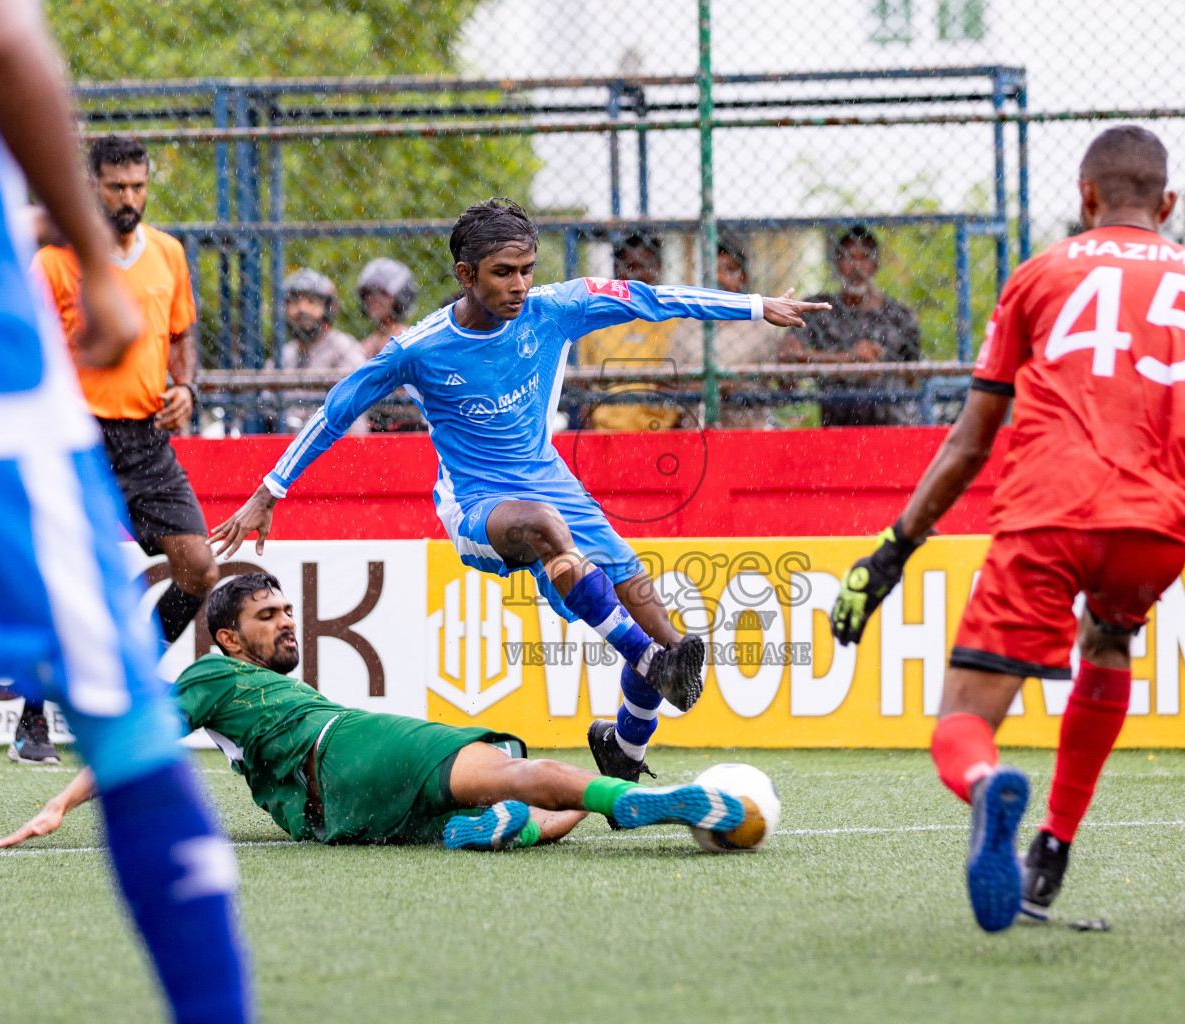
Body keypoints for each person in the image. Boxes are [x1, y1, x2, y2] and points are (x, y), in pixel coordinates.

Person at [0, 1, 253, 1020]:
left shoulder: (169, 253)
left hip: (108, 419)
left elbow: (181, 338)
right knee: (123, 716)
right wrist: (91, 254)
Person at [210, 198, 828, 784]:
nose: (520, 285)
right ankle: (644, 659)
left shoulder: (557, 307)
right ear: (465, 274)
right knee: (556, 541)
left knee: (668, 637)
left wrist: (755, 306)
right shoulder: (419, 349)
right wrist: (269, 490)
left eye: (527, 269)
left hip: (554, 485)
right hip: (477, 505)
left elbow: (651, 297)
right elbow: (338, 408)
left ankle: (625, 745)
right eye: (503, 273)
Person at [828, 127, 1185, 933]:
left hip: (1051, 512)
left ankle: (987, 786)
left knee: (962, 720)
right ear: (1167, 204)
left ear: (1086, 197)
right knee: (1111, 639)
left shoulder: (1041, 275)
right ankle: (1052, 848)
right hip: (1162, 525)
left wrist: (893, 550)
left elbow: (970, 441)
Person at [0, 573, 750, 852]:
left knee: (514, 805)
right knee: (515, 769)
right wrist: (61, 803)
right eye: (268, 616)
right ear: (229, 639)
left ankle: (543, 815)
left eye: (289, 610)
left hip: (330, 818)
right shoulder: (211, 673)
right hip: (344, 742)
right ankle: (628, 799)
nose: (288, 623)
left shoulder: (235, 690)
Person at [29, 134, 217, 766]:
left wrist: (186, 387)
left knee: (199, 569)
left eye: (138, 186)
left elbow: (182, 334)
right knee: (65, 576)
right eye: (116, 187)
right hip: (75, 437)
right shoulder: (54, 262)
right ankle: (33, 720)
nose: (129, 198)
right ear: (92, 187)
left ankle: (128, 676)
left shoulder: (168, 252)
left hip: (145, 439)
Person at [781, 225, 922, 426]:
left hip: (893, 424)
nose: (856, 266)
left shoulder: (899, 316)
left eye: (864, 257)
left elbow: (912, 375)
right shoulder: (821, 310)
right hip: (838, 424)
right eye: (848, 257)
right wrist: (847, 359)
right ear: (836, 262)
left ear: (875, 264)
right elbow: (787, 353)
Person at [671, 231, 786, 428]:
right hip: (698, 428)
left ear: (744, 277)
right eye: (712, 271)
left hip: (749, 427)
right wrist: (699, 391)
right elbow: (666, 383)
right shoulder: (687, 324)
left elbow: (785, 383)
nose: (719, 277)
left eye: (729, 270)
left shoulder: (762, 327)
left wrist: (742, 390)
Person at [578, 231, 688, 431]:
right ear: (617, 271)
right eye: (631, 267)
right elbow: (583, 384)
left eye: (645, 266)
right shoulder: (598, 321)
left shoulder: (675, 321)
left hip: (662, 431)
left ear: (659, 268)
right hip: (606, 432)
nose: (638, 275)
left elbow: (683, 385)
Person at [274, 268, 368, 435]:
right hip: (287, 441)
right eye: (294, 301)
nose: (302, 309)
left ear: (328, 308)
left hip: (335, 440)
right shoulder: (285, 354)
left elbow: (353, 412)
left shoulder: (344, 348)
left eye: (311, 301)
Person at [357, 257, 419, 358]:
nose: (373, 299)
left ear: (401, 298)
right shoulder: (365, 345)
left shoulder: (407, 340)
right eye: (368, 292)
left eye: (383, 293)